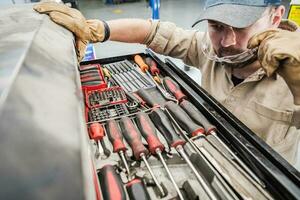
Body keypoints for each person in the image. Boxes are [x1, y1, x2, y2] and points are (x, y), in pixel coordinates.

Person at [33, 0, 300, 168]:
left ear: (276, 17)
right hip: (208, 154)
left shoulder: (295, 72)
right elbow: (156, 32)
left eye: (241, 28)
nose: (226, 41)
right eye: (217, 26)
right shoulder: (208, 48)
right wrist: (99, 30)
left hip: (265, 179)